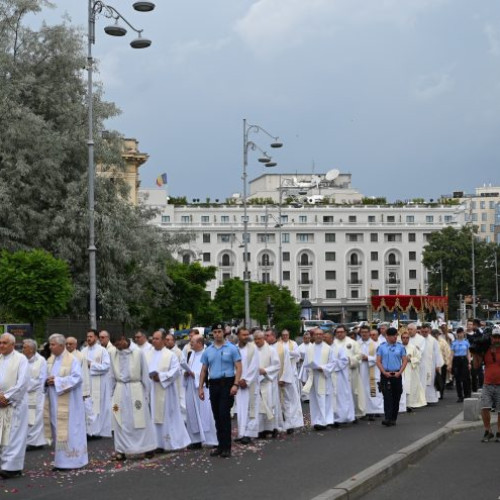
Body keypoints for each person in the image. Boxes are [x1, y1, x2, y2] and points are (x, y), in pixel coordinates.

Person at [109, 333, 156, 461]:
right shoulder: (113, 353)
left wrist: (146, 394)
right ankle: (121, 450)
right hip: (120, 389)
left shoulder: (138, 352)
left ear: (123, 339)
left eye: (118, 344)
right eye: (115, 346)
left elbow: (145, 374)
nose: (117, 348)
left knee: (141, 419)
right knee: (120, 419)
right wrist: (111, 394)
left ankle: (147, 448)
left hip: (136, 389)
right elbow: (111, 375)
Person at [44, 333, 88, 470]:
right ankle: (60, 462)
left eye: (53, 344)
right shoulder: (51, 360)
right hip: (54, 401)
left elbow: (77, 378)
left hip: (71, 404)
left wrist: (57, 381)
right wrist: (46, 381)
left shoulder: (72, 360)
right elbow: (44, 377)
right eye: (50, 344)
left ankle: (74, 461)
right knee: (58, 430)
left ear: (62, 346)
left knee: (71, 431)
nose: (50, 347)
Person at [199, 322, 242, 459]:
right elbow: (204, 370)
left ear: (224, 332)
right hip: (214, 384)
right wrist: (200, 387)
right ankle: (220, 444)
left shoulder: (232, 348)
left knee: (224, 414)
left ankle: (226, 447)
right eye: (215, 332)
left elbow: (238, 367)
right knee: (217, 415)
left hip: (227, 382)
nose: (217, 334)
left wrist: (235, 384)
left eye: (219, 331)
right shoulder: (208, 350)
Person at [145, 330, 190, 452]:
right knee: (152, 416)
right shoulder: (148, 354)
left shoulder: (170, 355)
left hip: (166, 391)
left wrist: (160, 376)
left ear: (164, 340)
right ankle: (155, 443)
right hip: (151, 390)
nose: (154, 341)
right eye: (153, 338)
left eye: (157, 339)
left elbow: (176, 371)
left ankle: (167, 443)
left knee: (166, 417)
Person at [0, 333, 30, 479]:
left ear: (13, 344)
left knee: (14, 435)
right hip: (0, 404)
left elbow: (23, 382)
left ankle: (13, 467)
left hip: (14, 404)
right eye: (0, 342)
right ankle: (3, 464)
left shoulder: (21, 359)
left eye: (4, 343)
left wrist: (6, 397)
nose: (1, 345)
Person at [182, 334, 218, 449]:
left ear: (200, 343)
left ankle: (212, 440)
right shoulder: (190, 354)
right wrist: (186, 373)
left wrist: (195, 375)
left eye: (192, 342)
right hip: (191, 388)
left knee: (206, 414)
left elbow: (210, 371)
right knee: (192, 414)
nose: (190, 344)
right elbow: (187, 368)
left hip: (203, 388)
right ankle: (195, 440)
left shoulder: (208, 354)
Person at [302, 328, 337, 430]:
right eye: (316, 334)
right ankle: (317, 421)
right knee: (314, 400)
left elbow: (333, 363)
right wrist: (304, 378)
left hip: (324, 376)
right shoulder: (309, 349)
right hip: (313, 377)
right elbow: (305, 364)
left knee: (324, 399)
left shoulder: (328, 349)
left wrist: (323, 368)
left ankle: (325, 421)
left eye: (320, 334)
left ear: (323, 336)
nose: (318, 336)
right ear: (313, 336)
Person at [81, 329, 112, 438]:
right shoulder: (83, 351)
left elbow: (106, 366)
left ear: (96, 338)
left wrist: (92, 365)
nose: (88, 338)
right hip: (86, 383)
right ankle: (89, 431)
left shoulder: (102, 351)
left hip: (98, 384)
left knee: (97, 408)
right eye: (87, 336)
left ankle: (97, 431)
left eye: (91, 336)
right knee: (88, 407)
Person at [376, 327, 407, 427]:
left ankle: (393, 417)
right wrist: (384, 372)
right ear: (387, 337)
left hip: (396, 374)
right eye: (393, 336)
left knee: (396, 396)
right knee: (387, 397)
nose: (395, 337)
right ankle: (387, 418)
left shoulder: (401, 347)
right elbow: (378, 361)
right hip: (386, 374)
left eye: (396, 335)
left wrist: (400, 372)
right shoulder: (381, 347)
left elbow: (404, 361)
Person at [254, 331, 282, 438]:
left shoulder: (271, 350)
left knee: (270, 404)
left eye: (259, 339)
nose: (257, 341)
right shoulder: (252, 351)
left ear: (263, 339)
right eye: (255, 339)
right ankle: (260, 429)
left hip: (268, 382)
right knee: (259, 406)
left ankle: (271, 428)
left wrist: (265, 370)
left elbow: (277, 365)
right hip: (256, 383)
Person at [334, 324, 365, 420]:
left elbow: (359, 355)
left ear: (345, 332)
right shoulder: (332, 343)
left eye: (341, 332)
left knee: (353, 392)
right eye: (338, 332)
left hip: (350, 371)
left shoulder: (353, 343)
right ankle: (339, 415)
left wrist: (350, 360)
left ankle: (354, 414)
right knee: (338, 394)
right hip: (337, 373)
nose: (339, 334)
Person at [234, 327, 260, 444]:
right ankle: (241, 433)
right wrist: (237, 380)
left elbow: (254, 366)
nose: (246, 337)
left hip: (249, 383)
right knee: (240, 408)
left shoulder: (253, 348)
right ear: (238, 336)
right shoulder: (234, 349)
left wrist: (246, 380)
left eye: (247, 334)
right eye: (243, 335)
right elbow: (231, 365)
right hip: (238, 383)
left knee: (250, 408)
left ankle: (249, 434)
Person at [276, 329, 304, 433]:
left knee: (292, 400)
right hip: (280, 375)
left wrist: (288, 353)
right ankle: (283, 422)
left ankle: (293, 422)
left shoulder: (294, 344)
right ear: (281, 336)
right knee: (281, 400)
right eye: (283, 335)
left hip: (292, 375)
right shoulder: (277, 345)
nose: (285, 336)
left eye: (287, 335)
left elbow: (298, 355)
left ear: (289, 335)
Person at [476, 327, 500, 442]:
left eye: (498, 337)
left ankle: (499, 432)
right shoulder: (485, 350)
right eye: (495, 337)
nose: (496, 340)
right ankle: (488, 430)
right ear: (491, 338)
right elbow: (476, 365)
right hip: (488, 383)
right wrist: (475, 353)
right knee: (484, 408)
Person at [23, 339, 47, 450]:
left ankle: (34, 443)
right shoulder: (23, 360)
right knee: (27, 418)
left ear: (32, 349)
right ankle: (33, 441)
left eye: (25, 347)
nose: (23, 349)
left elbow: (42, 379)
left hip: (36, 394)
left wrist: (27, 385)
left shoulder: (41, 360)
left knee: (36, 418)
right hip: (24, 394)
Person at [358, 325, 383, 420]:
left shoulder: (375, 344)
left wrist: (367, 358)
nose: (364, 334)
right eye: (362, 332)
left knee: (372, 392)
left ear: (369, 333)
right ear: (360, 333)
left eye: (366, 332)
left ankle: (372, 411)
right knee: (361, 391)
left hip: (371, 371)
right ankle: (362, 411)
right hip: (360, 371)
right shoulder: (357, 344)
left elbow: (380, 358)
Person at [400, 332, 426, 410]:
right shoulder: (398, 347)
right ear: (401, 339)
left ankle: (409, 404)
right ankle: (401, 404)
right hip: (400, 370)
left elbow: (418, 358)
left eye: (407, 338)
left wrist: (410, 359)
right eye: (403, 338)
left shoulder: (413, 347)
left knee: (410, 387)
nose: (405, 339)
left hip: (410, 370)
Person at [420, 323, 444, 404]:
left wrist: (438, 365)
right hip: (420, 364)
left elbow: (437, 352)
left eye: (426, 332)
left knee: (430, 382)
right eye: (423, 332)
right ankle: (421, 399)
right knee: (420, 382)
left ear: (429, 330)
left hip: (431, 365)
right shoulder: (418, 339)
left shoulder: (433, 341)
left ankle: (430, 399)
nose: (424, 333)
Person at [449, 327, 472, 403]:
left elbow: (468, 353)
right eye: (459, 333)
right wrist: (450, 364)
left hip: (464, 360)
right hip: (456, 360)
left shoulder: (466, 342)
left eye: (461, 333)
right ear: (457, 334)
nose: (460, 334)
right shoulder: (454, 343)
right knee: (458, 379)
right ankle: (460, 396)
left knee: (465, 378)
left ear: (463, 333)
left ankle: (466, 394)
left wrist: (469, 362)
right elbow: (452, 354)